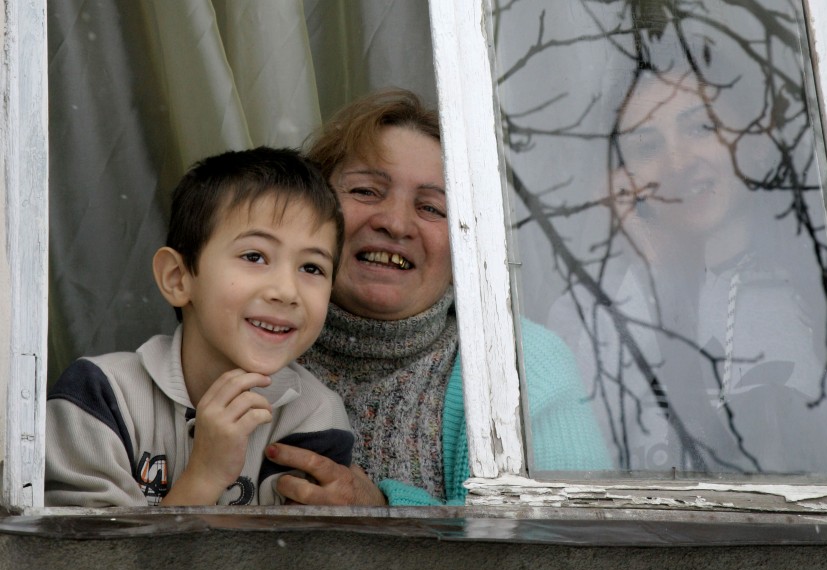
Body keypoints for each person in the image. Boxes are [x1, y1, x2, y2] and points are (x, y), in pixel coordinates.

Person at [264, 88, 611, 507]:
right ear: (310, 209)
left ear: (467, 243)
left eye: (432, 208)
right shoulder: (245, 337)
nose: (394, 223)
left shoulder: (519, 367)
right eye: (366, 192)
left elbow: (567, 548)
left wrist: (386, 512)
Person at [548, 67, 827, 474]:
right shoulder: (586, 312)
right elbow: (578, 478)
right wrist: (654, 273)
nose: (677, 162)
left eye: (700, 128)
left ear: (755, 143)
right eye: (647, 147)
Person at [45, 147, 354, 507]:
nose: (287, 292)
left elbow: (287, 562)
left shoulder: (316, 416)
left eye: (312, 268)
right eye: (254, 257)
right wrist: (205, 475)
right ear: (178, 278)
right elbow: (92, 562)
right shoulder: (100, 396)